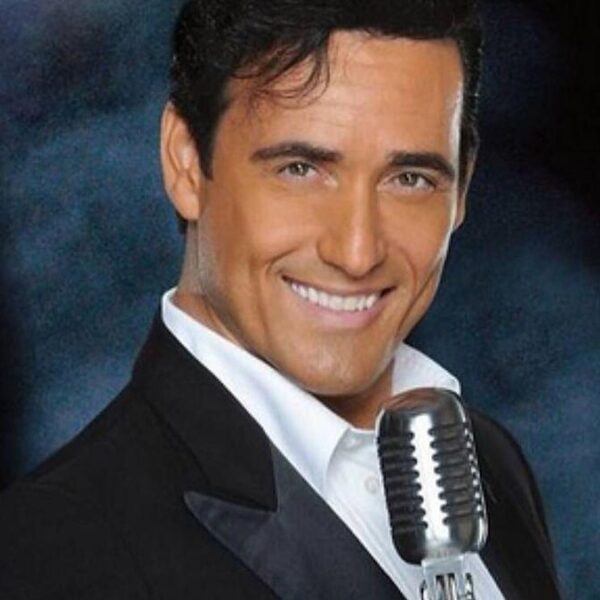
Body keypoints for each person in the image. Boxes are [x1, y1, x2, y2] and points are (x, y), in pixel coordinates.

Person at [0, 0, 561, 598]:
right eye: (300, 169)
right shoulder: (55, 545)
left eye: (410, 179)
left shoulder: (490, 462)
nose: (356, 252)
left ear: (462, 190)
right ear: (186, 163)